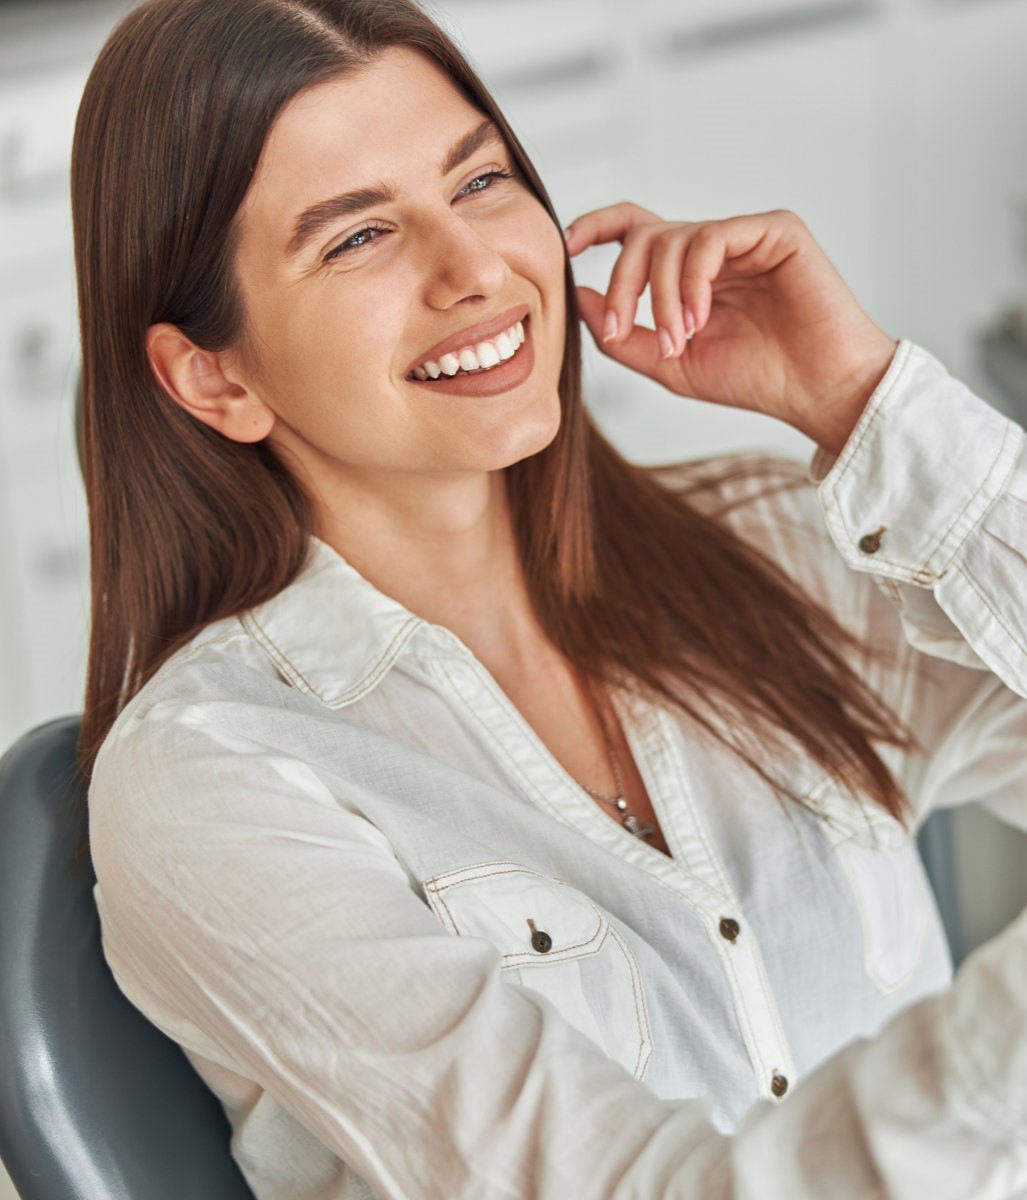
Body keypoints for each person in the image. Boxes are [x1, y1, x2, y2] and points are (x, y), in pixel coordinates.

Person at [73, 0, 1027, 1195]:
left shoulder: (773, 546)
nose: (476, 270)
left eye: (478, 183)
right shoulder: (211, 779)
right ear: (213, 376)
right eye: (358, 238)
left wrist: (864, 399)